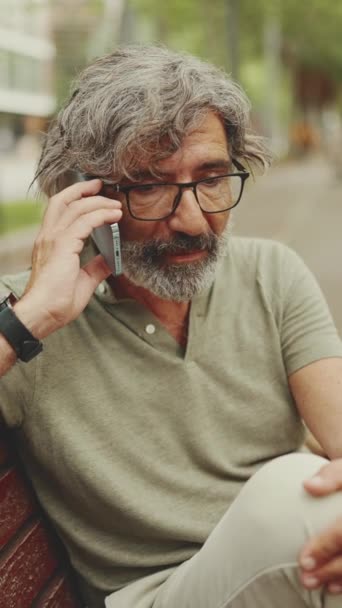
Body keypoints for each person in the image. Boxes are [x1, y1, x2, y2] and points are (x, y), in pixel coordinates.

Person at [0, 45, 342, 608]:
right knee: (294, 495)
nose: (191, 220)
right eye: (149, 187)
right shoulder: (23, 315)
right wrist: (35, 316)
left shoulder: (271, 273)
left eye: (211, 179)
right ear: (83, 195)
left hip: (292, 569)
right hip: (157, 595)